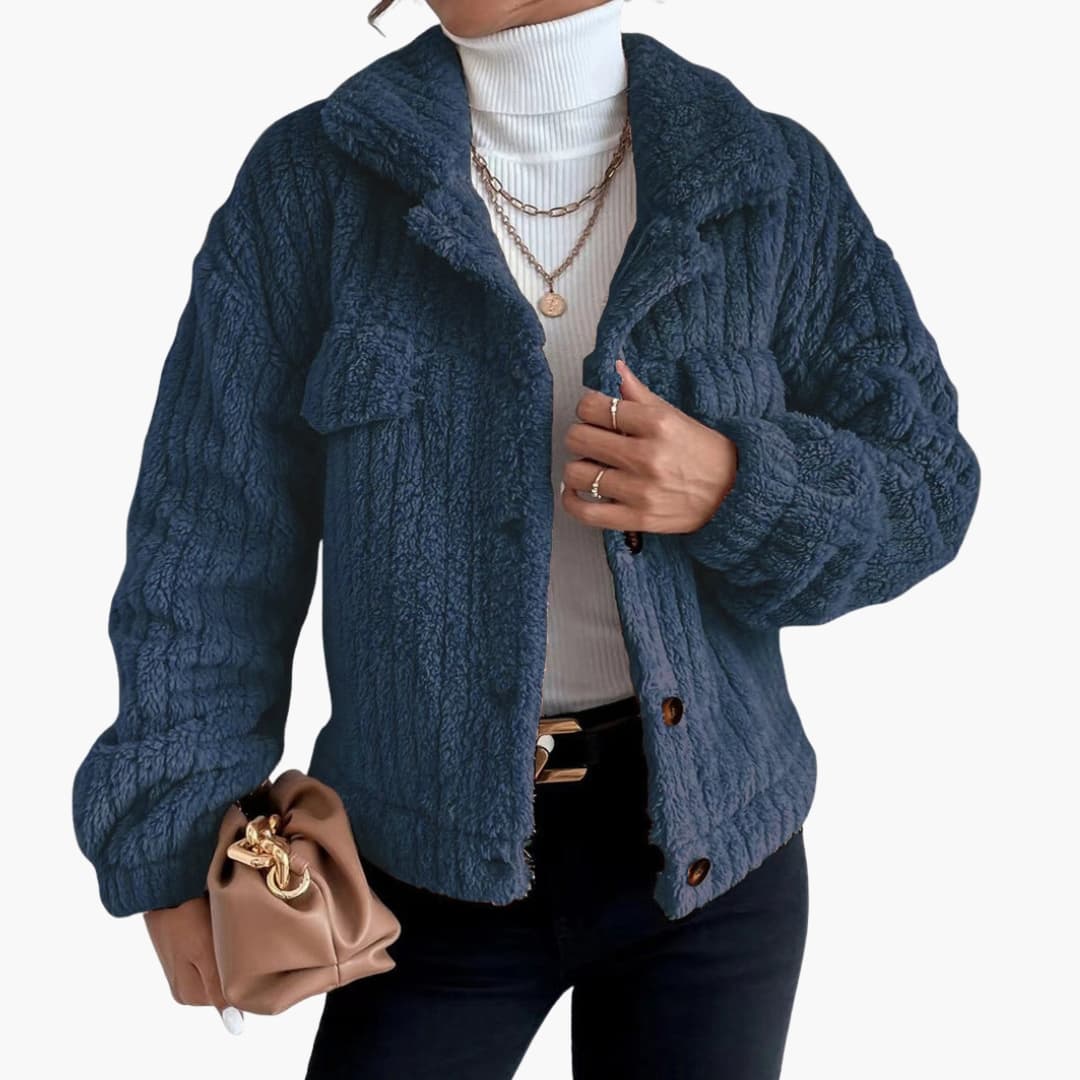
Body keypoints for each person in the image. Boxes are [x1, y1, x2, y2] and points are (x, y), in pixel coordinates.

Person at [70, 1, 982, 1076]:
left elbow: (927, 483)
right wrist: (179, 843)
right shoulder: (312, 186)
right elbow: (210, 540)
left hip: (712, 861)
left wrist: (739, 486)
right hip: (414, 861)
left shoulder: (765, 179)